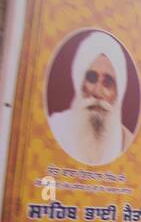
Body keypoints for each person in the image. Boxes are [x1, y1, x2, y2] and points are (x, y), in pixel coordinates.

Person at [47, 30, 135, 165]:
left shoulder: (127, 142)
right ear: (80, 83)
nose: (97, 92)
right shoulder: (55, 127)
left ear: (118, 93)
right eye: (92, 78)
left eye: (108, 83)